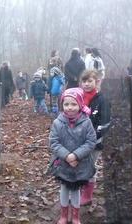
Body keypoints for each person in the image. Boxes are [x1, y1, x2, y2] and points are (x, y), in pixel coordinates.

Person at [48, 88, 96, 224]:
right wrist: (67, 156)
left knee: (75, 191)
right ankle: (63, 215)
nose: (70, 108)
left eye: (74, 104)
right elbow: (54, 142)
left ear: (80, 105)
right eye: (66, 104)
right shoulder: (58, 122)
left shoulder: (86, 122)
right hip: (63, 163)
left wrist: (76, 155)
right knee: (64, 189)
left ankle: (75, 216)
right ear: (62, 105)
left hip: (81, 164)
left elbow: (91, 141)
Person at [79, 70, 111, 206]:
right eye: (84, 81)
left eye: (89, 81)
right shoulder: (78, 97)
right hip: (79, 140)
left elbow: (105, 123)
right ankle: (81, 187)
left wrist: (94, 139)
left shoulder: (102, 100)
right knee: (80, 164)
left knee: (90, 166)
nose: (86, 84)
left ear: (97, 82)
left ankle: (88, 194)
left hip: (95, 142)